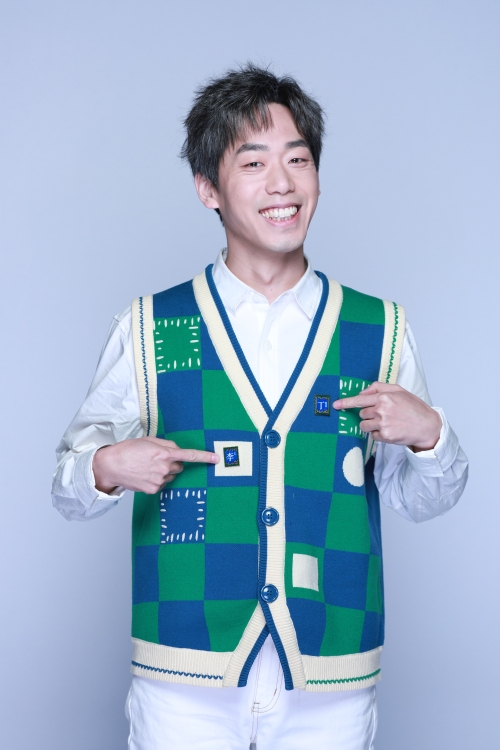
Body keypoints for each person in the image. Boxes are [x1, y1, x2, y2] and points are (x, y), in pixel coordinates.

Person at [52, 64, 468, 750]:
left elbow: (421, 500)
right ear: (208, 188)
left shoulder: (377, 328)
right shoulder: (151, 327)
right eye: (254, 163)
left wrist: (431, 437)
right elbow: (68, 486)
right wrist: (106, 466)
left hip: (330, 675)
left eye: (298, 159)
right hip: (184, 674)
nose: (282, 183)